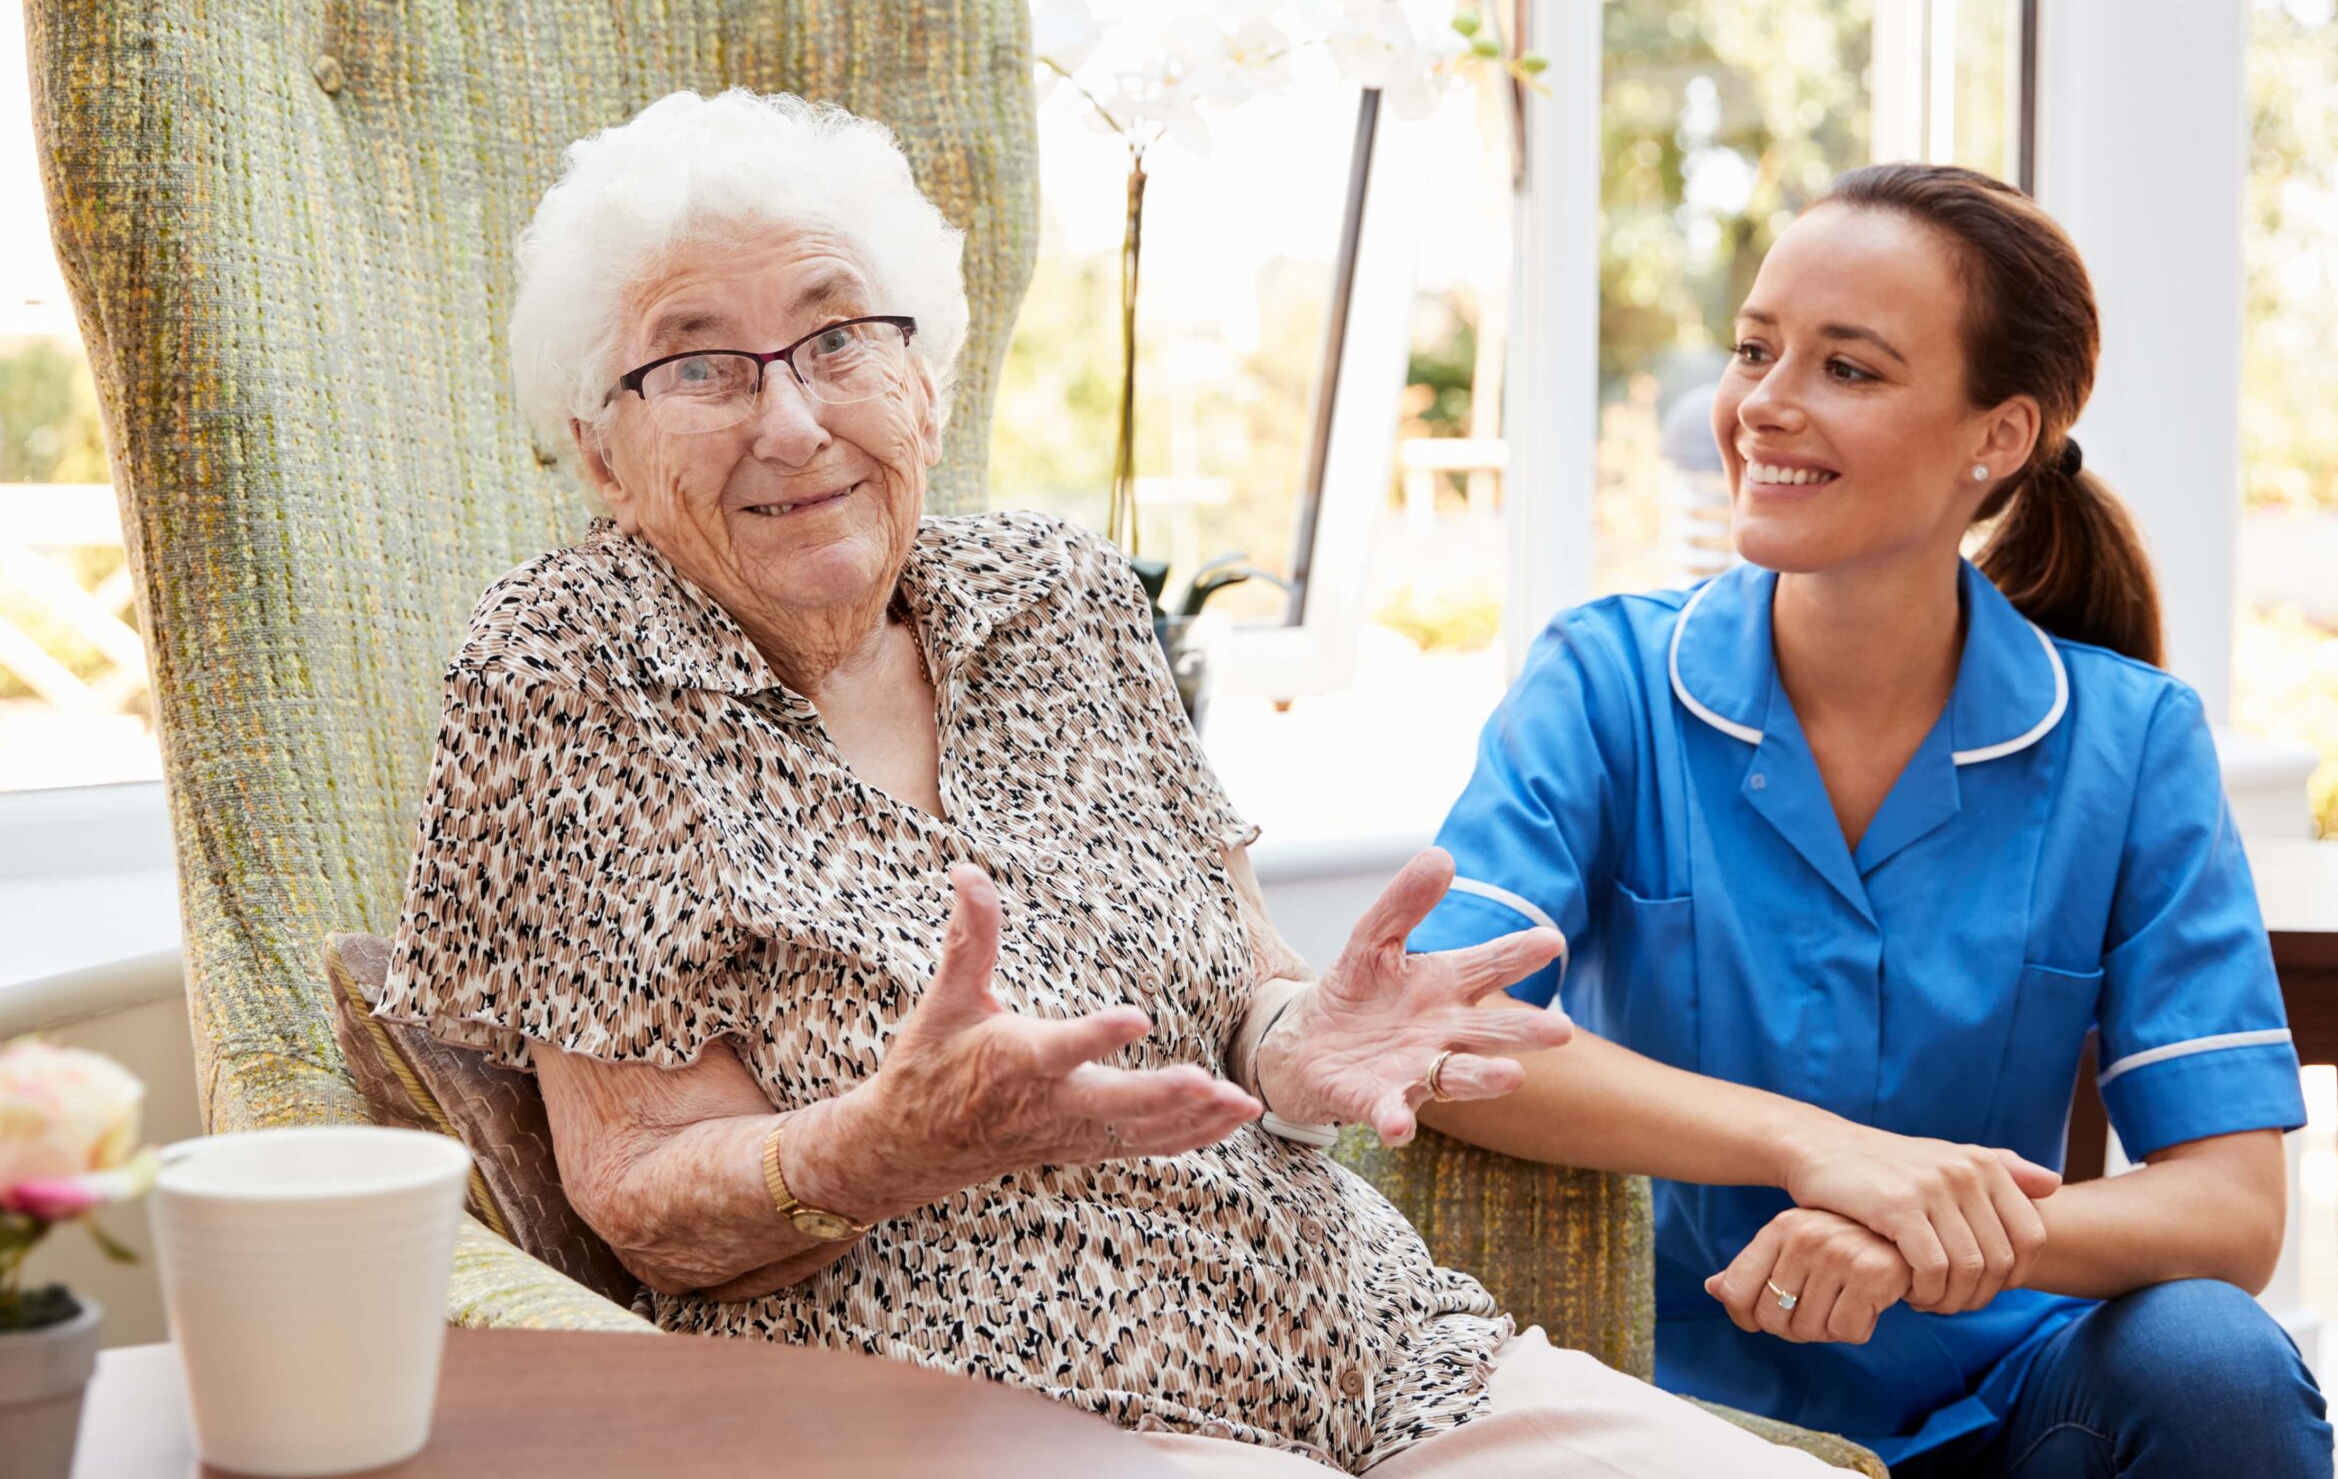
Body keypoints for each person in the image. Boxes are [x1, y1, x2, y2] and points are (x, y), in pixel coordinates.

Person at [379, 87, 1834, 1477]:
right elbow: (644, 1201)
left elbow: (1243, 988)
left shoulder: (1057, 599)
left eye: (838, 341)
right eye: (697, 364)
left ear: (926, 384)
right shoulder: (565, 670)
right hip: (1001, 1417)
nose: (794, 420)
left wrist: (1298, 1040)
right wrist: (889, 1145)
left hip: (1387, 1353)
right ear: (600, 453)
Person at [1399, 165, 2334, 1475]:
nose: (1762, 406)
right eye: (1755, 350)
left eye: (1849, 368)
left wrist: (1916, 1242)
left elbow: (2231, 1206)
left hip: (2003, 1389)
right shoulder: (1606, 682)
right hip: (1661, 1395)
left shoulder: (2130, 744)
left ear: (1995, 438)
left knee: (2222, 1371)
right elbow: (1434, 1034)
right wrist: (1820, 1151)